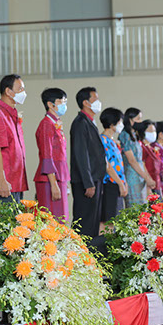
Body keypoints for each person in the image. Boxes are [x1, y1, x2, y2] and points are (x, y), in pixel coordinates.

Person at [0, 74, 28, 210]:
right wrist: (2, 180)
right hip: (4, 184)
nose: (23, 93)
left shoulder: (12, 114)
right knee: (5, 223)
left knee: (17, 223)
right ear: (8, 91)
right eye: (20, 89)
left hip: (15, 182)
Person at [69, 87, 106, 238]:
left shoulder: (89, 122)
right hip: (86, 182)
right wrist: (88, 182)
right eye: (95, 99)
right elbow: (81, 155)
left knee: (93, 222)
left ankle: (90, 250)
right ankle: (80, 250)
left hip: (95, 179)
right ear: (85, 103)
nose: (98, 102)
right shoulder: (80, 123)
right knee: (84, 222)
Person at [33, 88, 70, 223]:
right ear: (50, 104)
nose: (64, 104)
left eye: (65, 101)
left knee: (61, 218)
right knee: (52, 220)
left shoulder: (55, 123)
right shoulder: (46, 124)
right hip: (49, 179)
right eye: (61, 101)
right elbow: (47, 155)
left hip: (59, 177)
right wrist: (53, 184)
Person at [119, 108, 156, 207]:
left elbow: (140, 161)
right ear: (130, 119)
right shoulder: (125, 135)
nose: (140, 121)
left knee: (143, 207)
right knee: (135, 207)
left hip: (140, 176)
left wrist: (147, 178)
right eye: (138, 118)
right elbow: (132, 160)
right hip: (132, 176)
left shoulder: (134, 135)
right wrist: (146, 177)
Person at [99, 108, 128, 229]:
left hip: (117, 183)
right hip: (109, 183)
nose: (122, 125)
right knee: (108, 221)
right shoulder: (102, 140)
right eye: (120, 122)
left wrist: (123, 183)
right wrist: (120, 183)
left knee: (117, 220)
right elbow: (108, 166)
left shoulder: (113, 142)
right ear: (112, 124)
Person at [137, 119, 162, 196]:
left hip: (156, 185)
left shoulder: (151, 148)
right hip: (148, 185)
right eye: (150, 131)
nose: (153, 133)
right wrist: (148, 180)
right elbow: (142, 164)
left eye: (154, 131)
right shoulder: (142, 147)